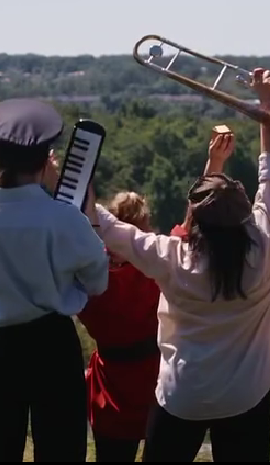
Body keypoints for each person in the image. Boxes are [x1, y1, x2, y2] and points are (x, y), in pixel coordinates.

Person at [89, 68, 270, 463]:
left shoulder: (172, 257)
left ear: (195, 224)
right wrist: (267, 105)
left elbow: (106, 227)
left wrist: (76, 175)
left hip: (185, 395)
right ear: (243, 215)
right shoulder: (262, 246)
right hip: (247, 393)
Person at [0, 98, 110, 463]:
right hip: (52, 343)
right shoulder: (64, 220)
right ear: (45, 160)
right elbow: (98, 281)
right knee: (60, 449)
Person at [76, 191, 162, 462]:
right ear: (145, 226)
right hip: (155, 381)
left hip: (109, 384)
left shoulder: (90, 270)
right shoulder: (157, 267)